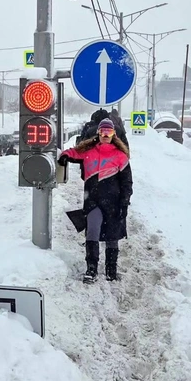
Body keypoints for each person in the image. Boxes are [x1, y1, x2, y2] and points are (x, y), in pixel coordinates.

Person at [58, 118, 133, 283]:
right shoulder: (88, 151)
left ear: (114, 134)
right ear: (98, 133)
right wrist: (64, 156)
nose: (105, 135)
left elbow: (127, 182)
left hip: (114, 203)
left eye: (109, 132)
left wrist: (124, 202)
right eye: (102, 131)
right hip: (93, 201)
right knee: (92, 231)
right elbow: (72, 152)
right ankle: (91, 269)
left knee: (112, 236)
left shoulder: (120, 156)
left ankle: (111, 271)